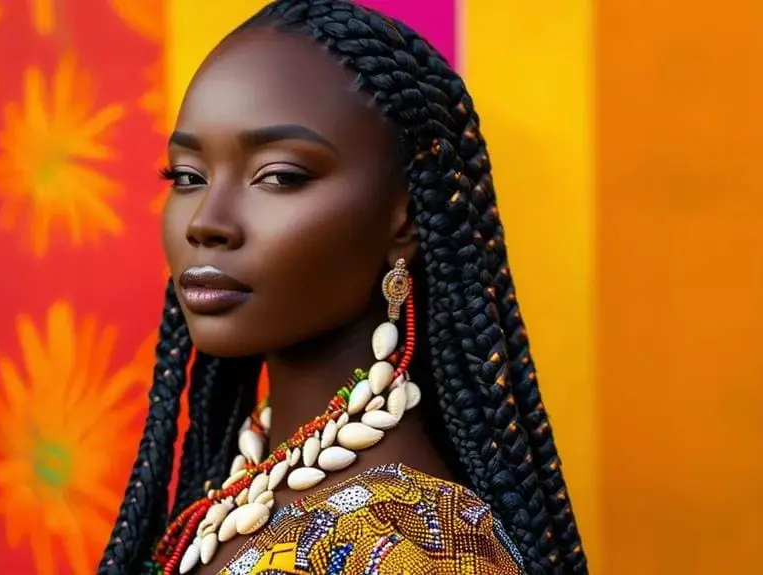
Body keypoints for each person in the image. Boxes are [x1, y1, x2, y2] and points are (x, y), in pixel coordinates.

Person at [99, 1, 586, 574]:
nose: (205, 221)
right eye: (187, 176)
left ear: (404, 219)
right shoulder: (241, 488)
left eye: (279, 176)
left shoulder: (411, 551)